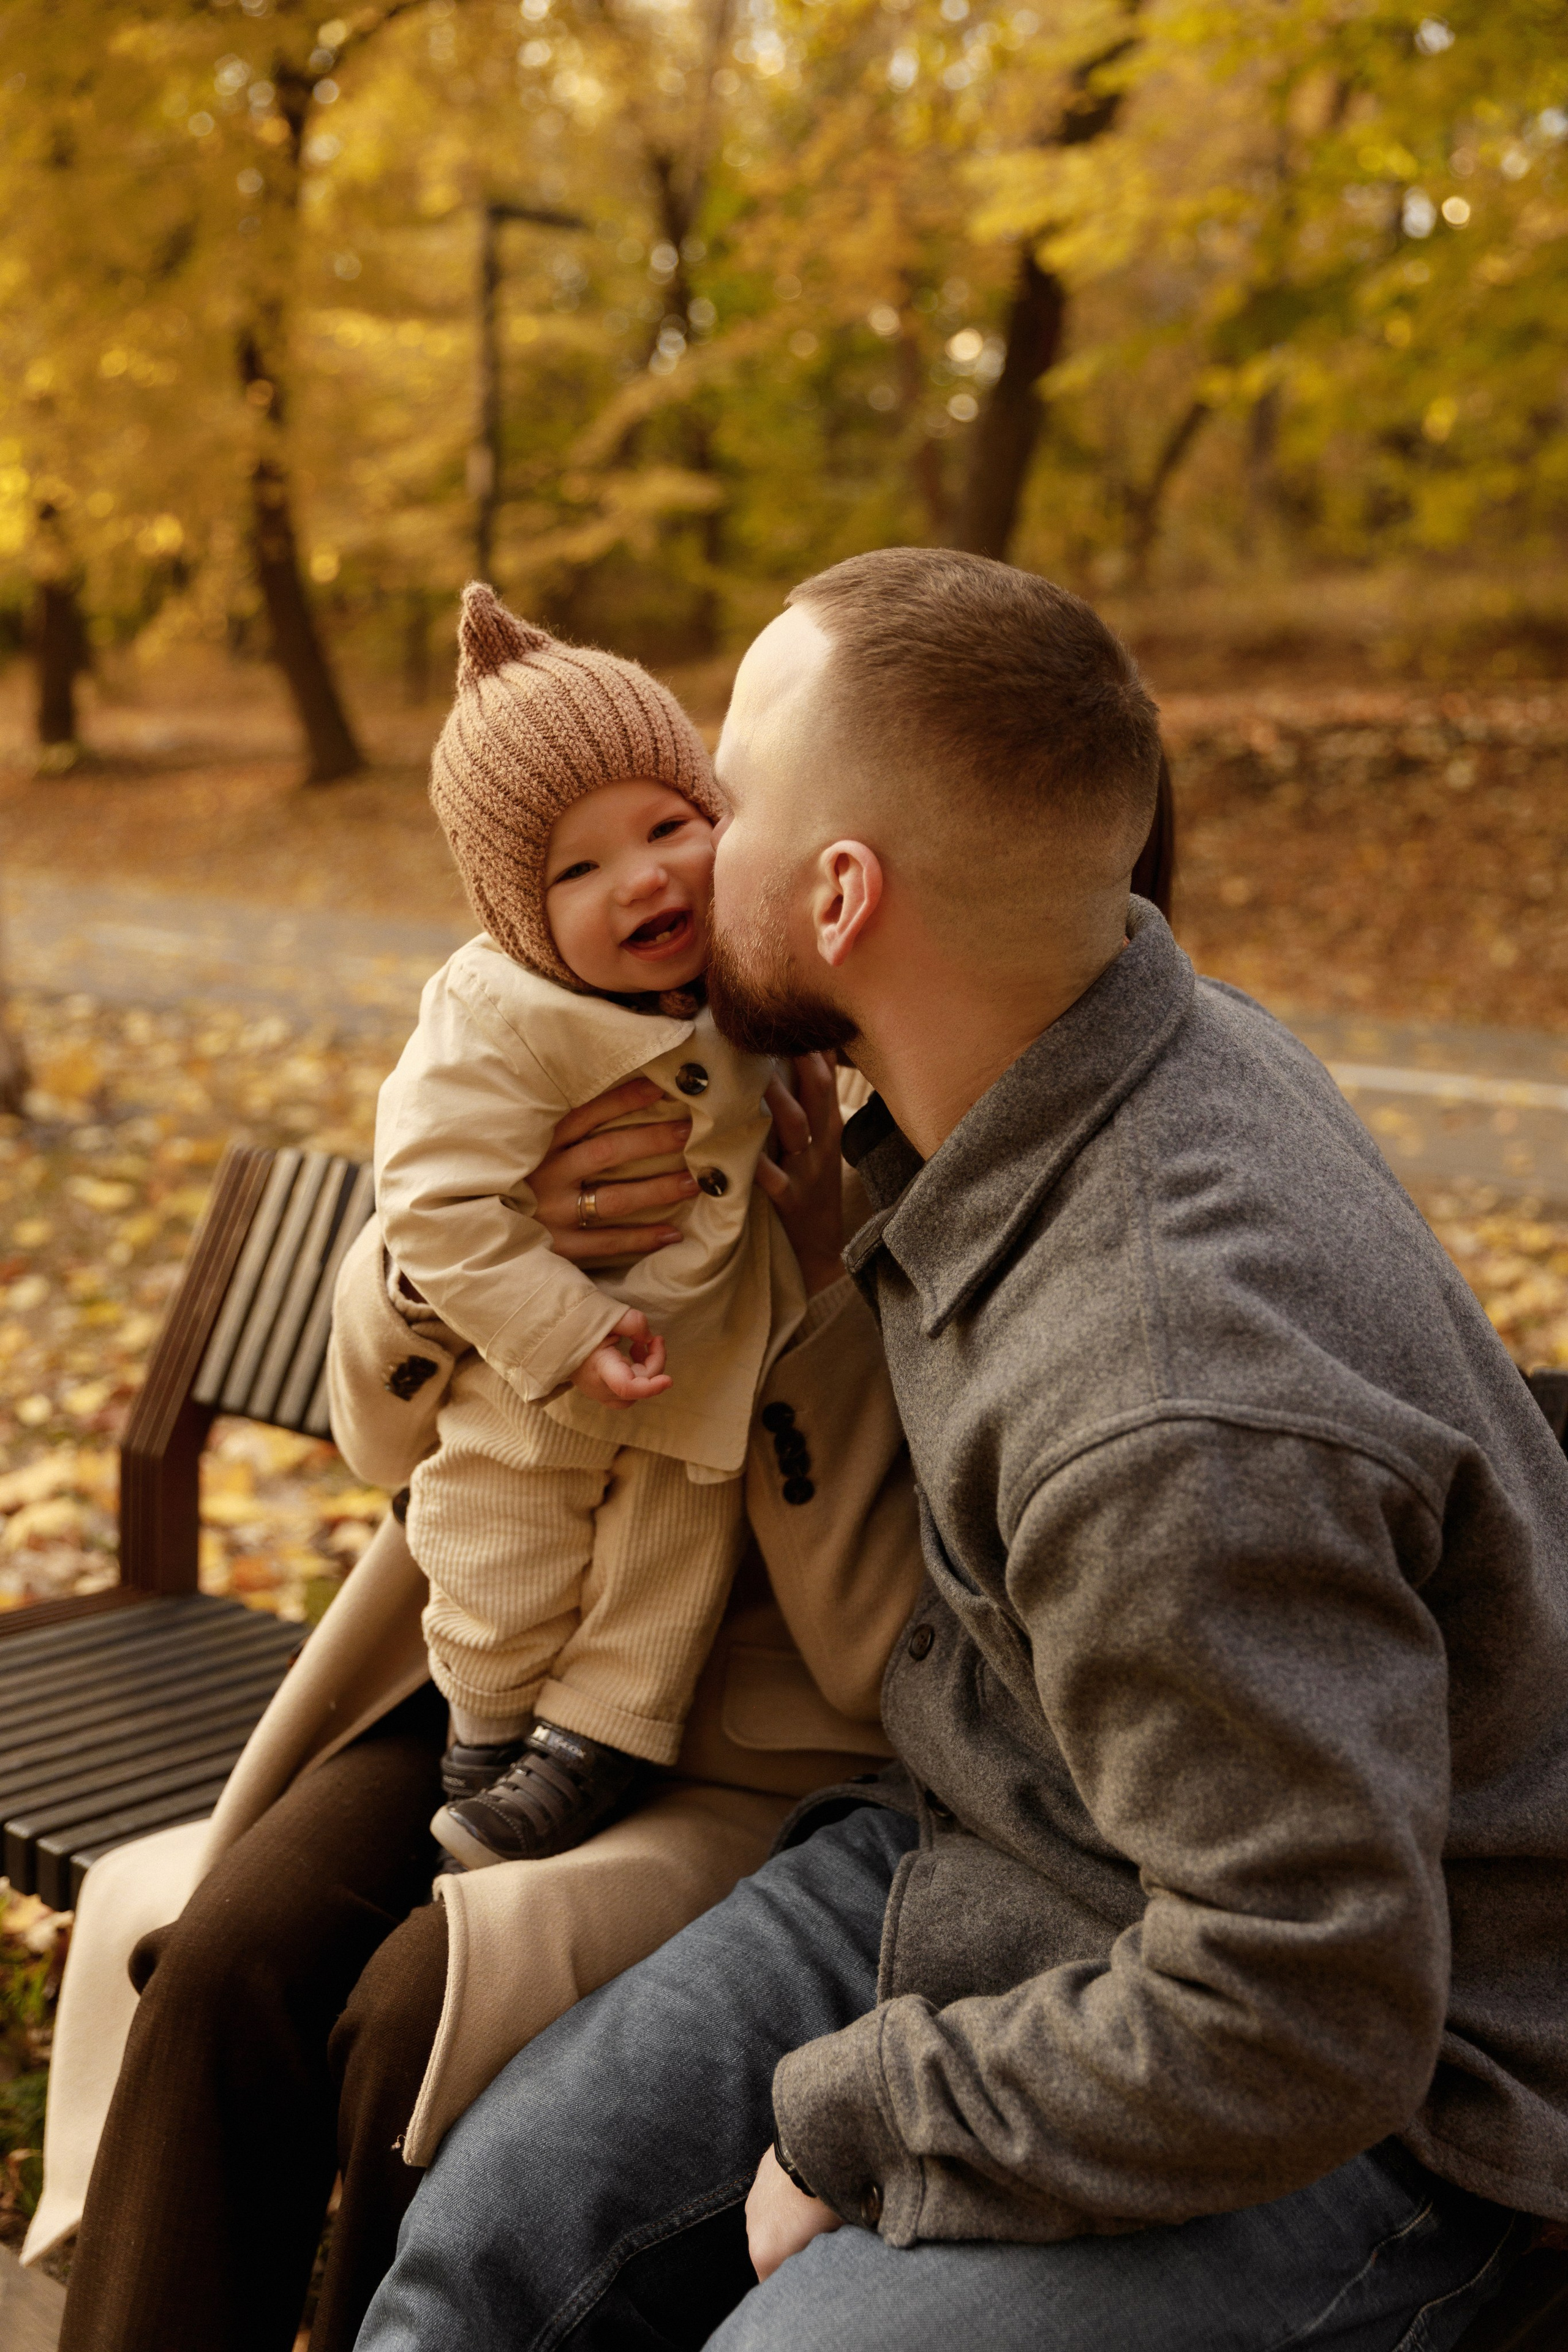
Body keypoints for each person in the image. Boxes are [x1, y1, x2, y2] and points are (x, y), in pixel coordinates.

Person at [357, 548, 1568, 2352]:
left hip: (1388, 2095)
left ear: (840, 896)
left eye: (726, 796)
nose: (686, 853)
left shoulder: (1165, 1396)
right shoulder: (1071, 1038)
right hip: (996, 1846)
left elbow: (1308, 2007)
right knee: (484, 2249)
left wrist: (864, 2118)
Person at [39, 1055, 925, 2352]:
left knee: (423, 2021)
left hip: (742, 1755)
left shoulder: (937, 1148)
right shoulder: (596, 1032)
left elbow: (872, 1648)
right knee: (229, 1957)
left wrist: (815, 1292)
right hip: (487, 1673)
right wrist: (455, 1261)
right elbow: (381, 1430)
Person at [378, 581, 807, 1869]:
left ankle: (592, 1750)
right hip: (536, 1356)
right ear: (519, 915)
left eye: (668, 825)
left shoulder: (748, 969)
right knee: (496, 1544)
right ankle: (485, 1730)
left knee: (666, 1567)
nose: (641, 879)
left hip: (705, 1360)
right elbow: (432, 1202)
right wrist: (562, 1328)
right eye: (575, 869)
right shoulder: (496, 1016)